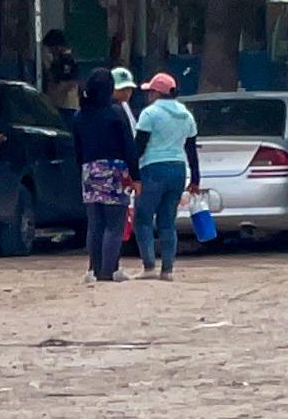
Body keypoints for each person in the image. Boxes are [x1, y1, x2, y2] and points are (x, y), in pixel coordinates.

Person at [72, 68, 139, 284]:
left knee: (95, 225)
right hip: (114, 171)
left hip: (89, 171)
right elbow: (129, 146)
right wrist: (136, 176)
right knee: (114, 224)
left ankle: (94, 269)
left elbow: (77, 150)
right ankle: (109, 271)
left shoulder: (79, 115)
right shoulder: (116, 113)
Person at [132, 71, 200, 281]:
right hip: (178, 169)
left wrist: (131, 171)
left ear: (156, 93)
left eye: (150, 92)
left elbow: (139, 146)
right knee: (168, 221)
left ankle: (149, 266)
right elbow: (191, 150)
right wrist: (195, 179)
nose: (148, 96)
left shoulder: (149, 114)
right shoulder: (187, 115)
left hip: (152, 168)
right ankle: (167, 270)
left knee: (143, 218)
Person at [42, 29, 80, 119]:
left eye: (50, 49)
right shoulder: (56, 62)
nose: (50, 52)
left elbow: (69, 83)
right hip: (58, 105)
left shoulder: (67, 60)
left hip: (66, 106)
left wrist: (54, 96)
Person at [111, 67, 140, 132]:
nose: (126, 93)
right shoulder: (104, 109)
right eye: (122, 89)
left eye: (129, 89)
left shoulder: (125, 106)